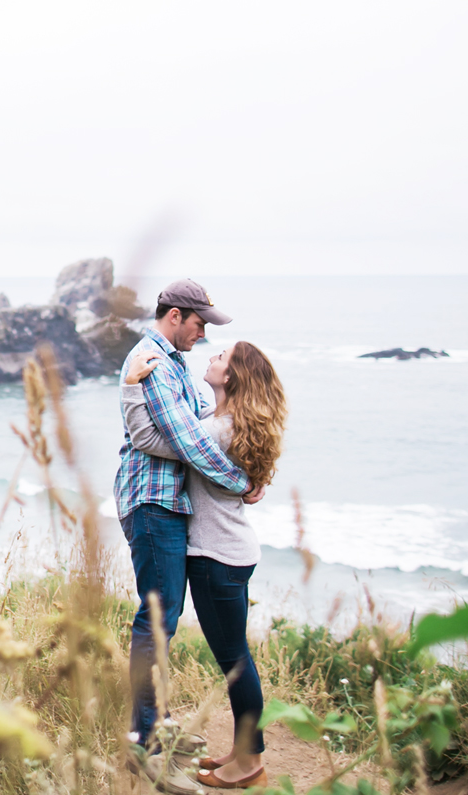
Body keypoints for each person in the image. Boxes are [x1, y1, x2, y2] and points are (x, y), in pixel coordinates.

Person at [124, 338, 289, 790]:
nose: (212, 358)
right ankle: (242, 752)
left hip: (217, 557)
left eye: (222, 358)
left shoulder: (218, 431)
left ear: (232, 376)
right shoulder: (222, 421)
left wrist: (131, 389)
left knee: (235, 661)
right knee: (236, 656)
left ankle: (250, 761)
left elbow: (155, 440)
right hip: (230, 553)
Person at [114, 279, 262, 758]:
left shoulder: (173, 361)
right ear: (175, 315)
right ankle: (144, 735)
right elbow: (189, 443)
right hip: (152, 500)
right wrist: (242, 484)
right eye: (199, 324)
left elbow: (197, 426)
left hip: (168, 502)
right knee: (157, 618)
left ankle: (157, 721)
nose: (203, 336)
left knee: (166, 618)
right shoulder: (151, 360)